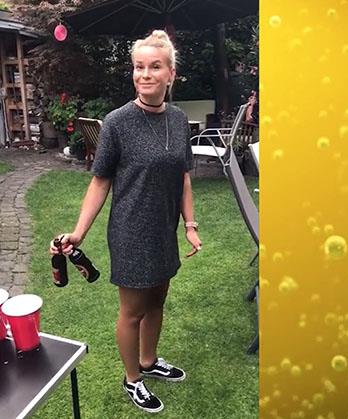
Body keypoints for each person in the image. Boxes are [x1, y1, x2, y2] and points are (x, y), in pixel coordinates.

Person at [49, 30, 202, 414]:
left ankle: (148, 361)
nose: (145, 74)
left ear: (170, 74)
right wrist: (79, 232)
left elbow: (183, 177)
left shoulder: (179, 120)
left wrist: (190, 225)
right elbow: (100, 181)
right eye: (139, 67)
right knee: (132, 311)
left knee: (157, 301)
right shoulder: (117, 122)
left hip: (163, 231)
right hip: (131, 231)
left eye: (155, 67)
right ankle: (132, 379)